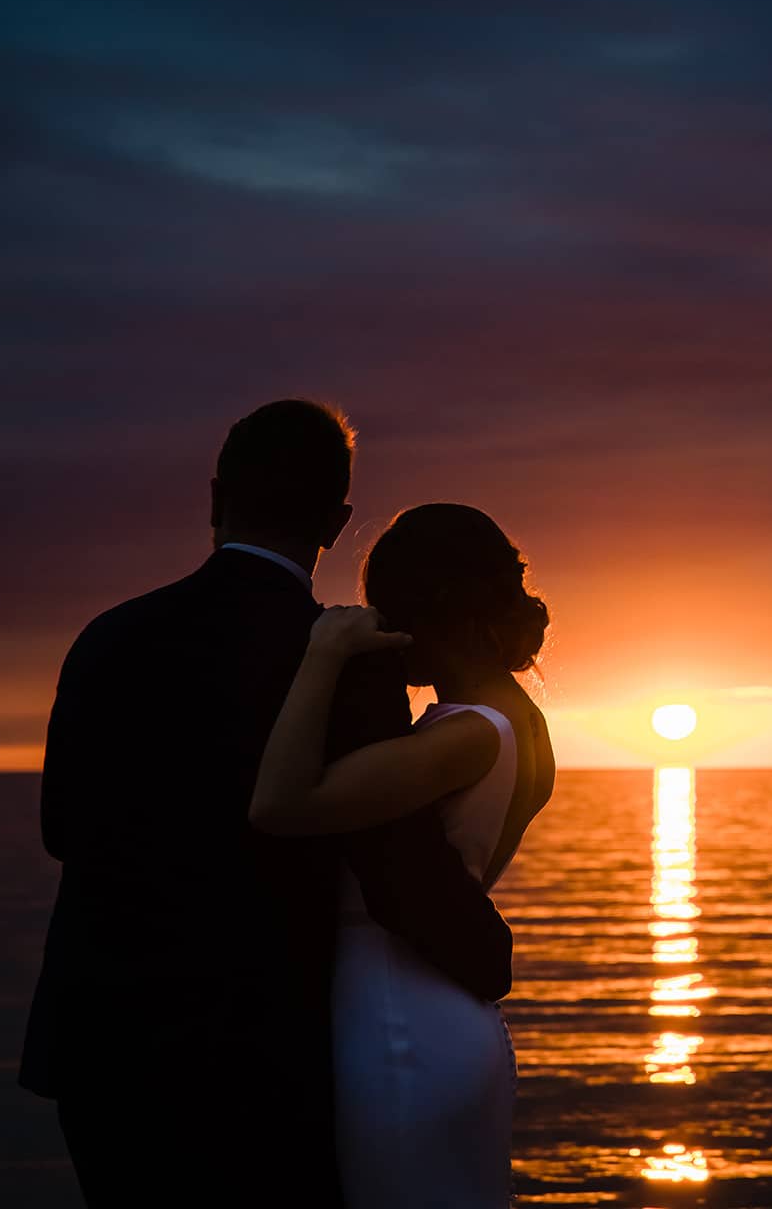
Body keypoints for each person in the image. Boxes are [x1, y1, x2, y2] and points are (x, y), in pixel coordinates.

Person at [18, 401, 514, 1208]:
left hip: (102, 1043)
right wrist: (485, 955)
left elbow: (60, 829)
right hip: (260, 1051)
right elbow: (390, 866)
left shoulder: (109, 636)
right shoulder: (350, 659)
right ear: (335, 521)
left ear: (216, 497)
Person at [249, 502, 555, 1209]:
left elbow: (281, 804)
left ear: (428, 606)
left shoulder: (467, 734)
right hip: (452, 1018)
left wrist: (325, 654)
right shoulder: (522, 722)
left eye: (384, 606)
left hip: (397, 1022)